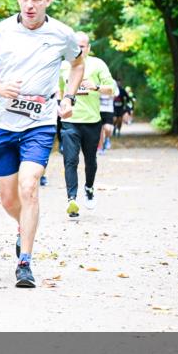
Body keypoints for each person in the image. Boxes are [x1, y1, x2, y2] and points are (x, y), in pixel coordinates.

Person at [0, 0, 84, 288]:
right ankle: (24, 226)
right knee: (9, 199)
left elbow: (77, 64)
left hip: (41, 121)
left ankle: (25, 263)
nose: (30, 5)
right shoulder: (2, 31)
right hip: (3, 124)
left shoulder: (62, 34)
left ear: (48, 0)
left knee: (29, 187)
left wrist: (69, 97)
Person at [59, 32, 115, 217]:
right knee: (70, 160)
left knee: (90, 160)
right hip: (69, 121)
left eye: (83, 46)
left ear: (89, 48)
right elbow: (58, 91)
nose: (80, 49)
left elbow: (112, 90)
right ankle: (71, 200)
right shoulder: (63, 66)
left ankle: (89, 188)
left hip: (92, 121)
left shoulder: (98, 64)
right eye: (77, 46)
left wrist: (96, 87)